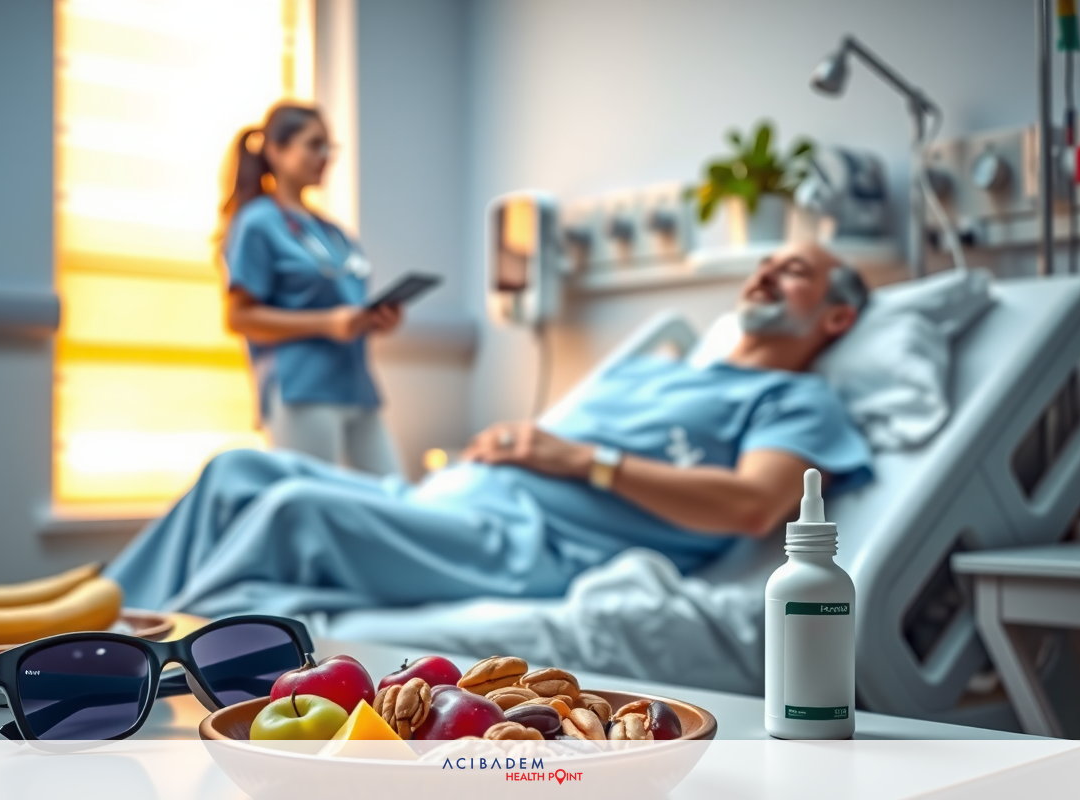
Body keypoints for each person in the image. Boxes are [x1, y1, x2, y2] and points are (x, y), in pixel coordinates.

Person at [106, 242, 874, 619]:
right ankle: (87, 613)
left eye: (795, 269)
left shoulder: (795, 400)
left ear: (834, 317)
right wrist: (514, 444)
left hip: (527, 548)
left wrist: (580, 460)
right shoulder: (661, 367)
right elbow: (550, 443)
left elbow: (750, 505)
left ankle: (146, 661)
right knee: (238, 470)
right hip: (451, 499)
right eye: (766, 260)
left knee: (292, 514)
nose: (767, 272)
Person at [220, 102, 403, 475]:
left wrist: (374, 319)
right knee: (317, 511)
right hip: (302, 390)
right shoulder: (257, 223)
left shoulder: (334, 233)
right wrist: (327, 323)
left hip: (356, 388)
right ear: (275, 150)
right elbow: (239, 316)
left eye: (329, 148)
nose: (325, 157)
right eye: (314, 145)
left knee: (395, 499)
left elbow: (346, 305)